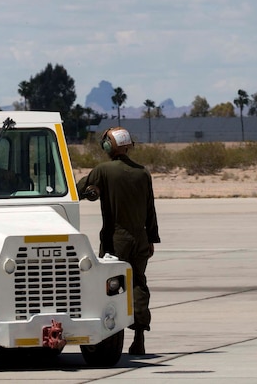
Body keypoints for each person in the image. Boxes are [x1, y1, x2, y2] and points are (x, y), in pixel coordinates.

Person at [77, 127, 160, 356]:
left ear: (108, 146)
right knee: (138, 284)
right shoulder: (143, 173)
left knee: (111, 287)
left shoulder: (103, 170)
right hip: (141, 239)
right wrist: (152, 238)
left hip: (116, 240)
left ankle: (111, 335)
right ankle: (139, 337)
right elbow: (150, 209)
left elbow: (78, 190)